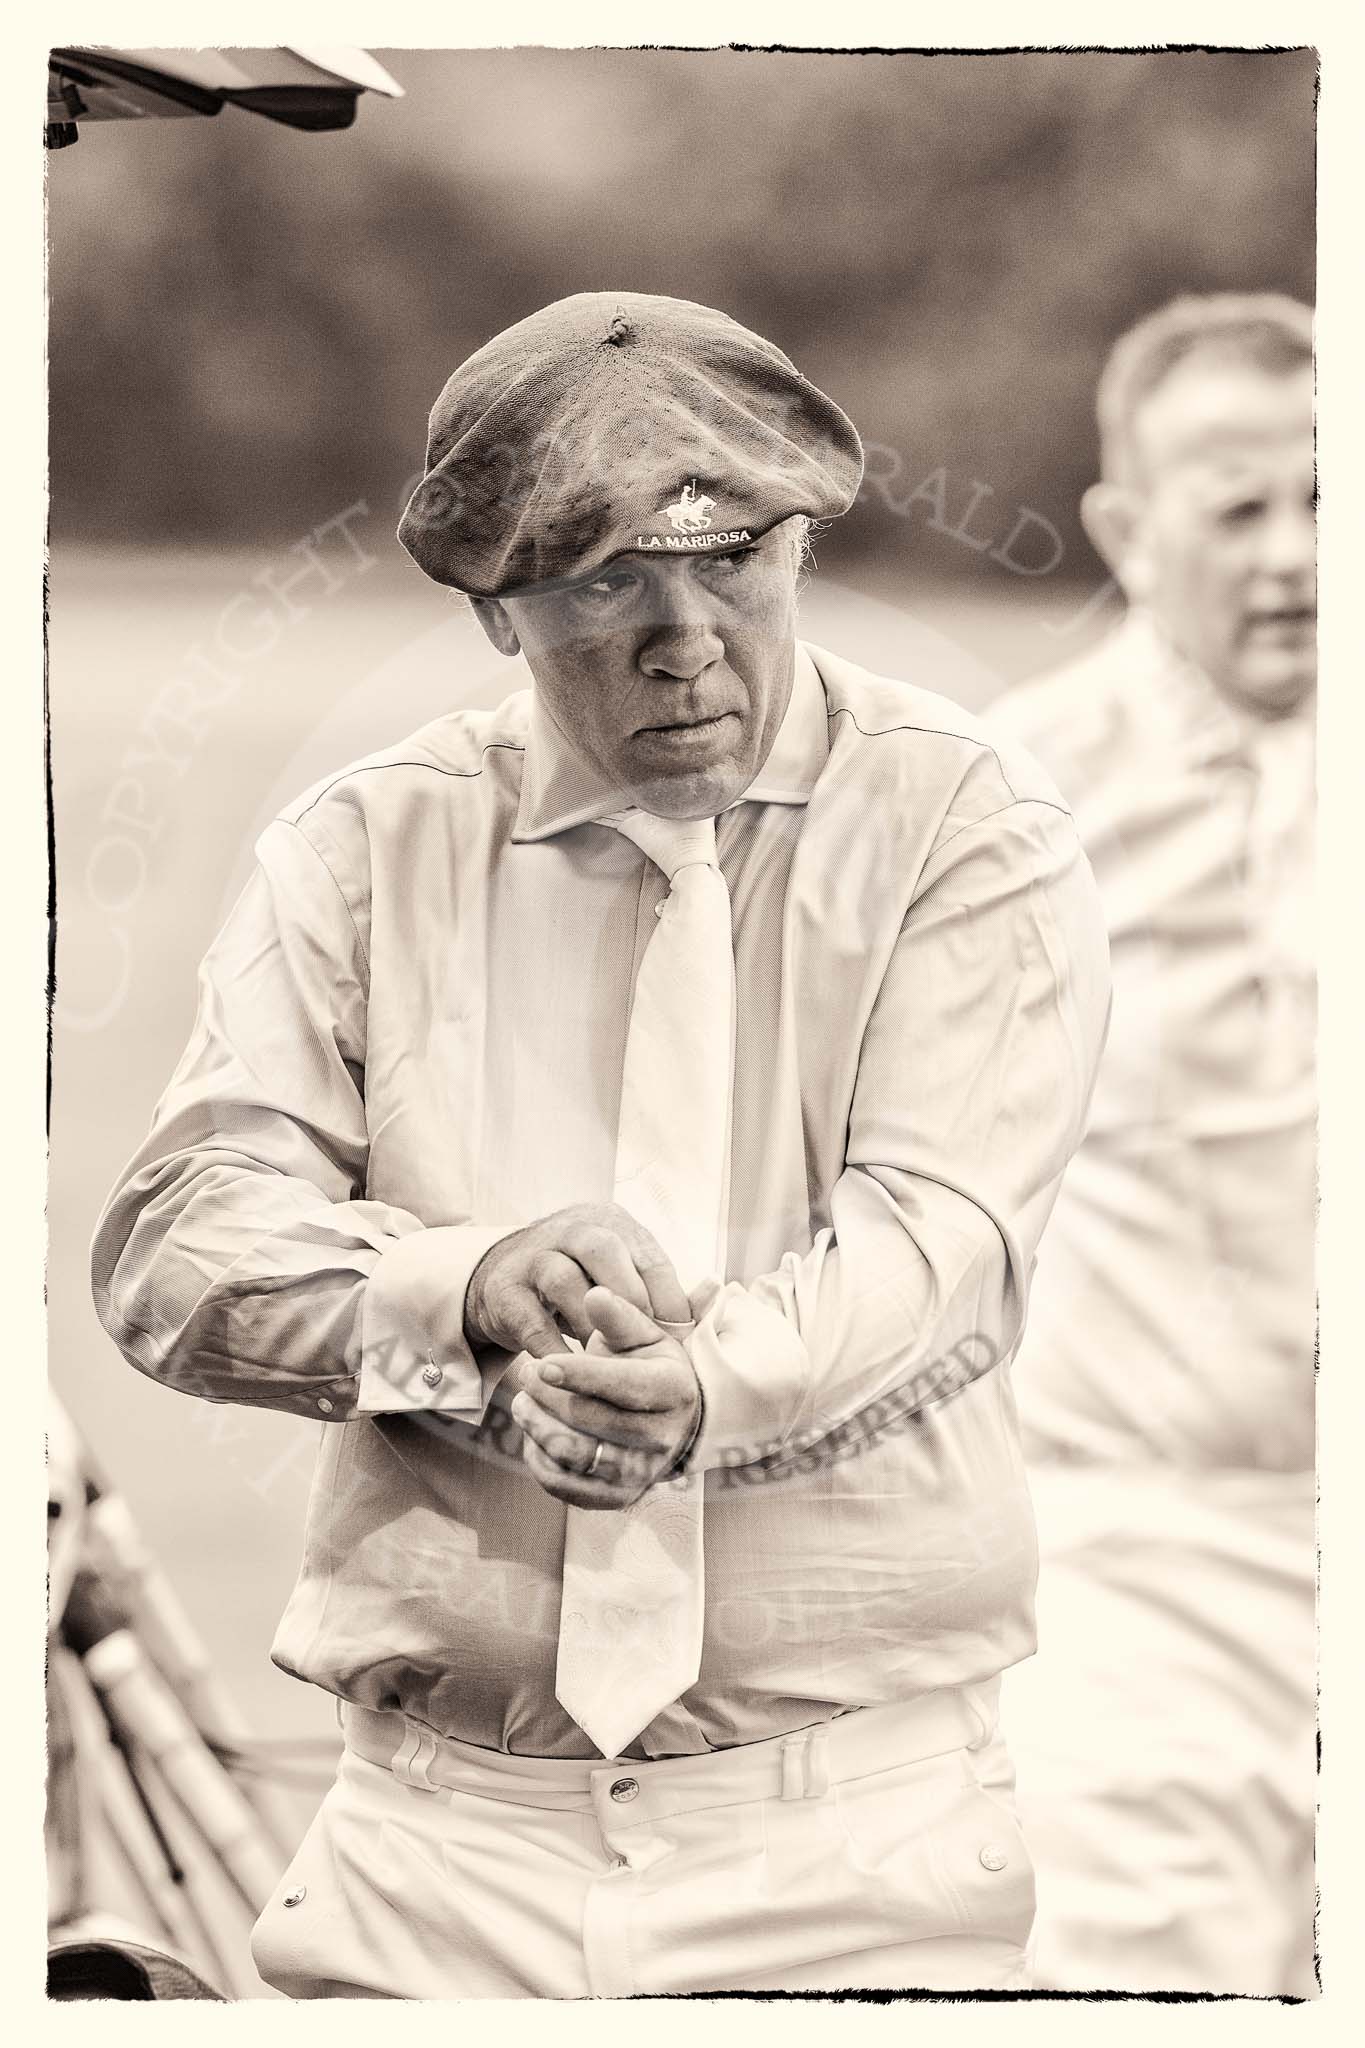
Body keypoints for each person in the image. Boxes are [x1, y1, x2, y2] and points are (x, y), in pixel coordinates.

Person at [92, 290, 1110, 1999]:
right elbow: (176, 1246)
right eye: (599, 577)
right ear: (493, 607)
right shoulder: (362, 847)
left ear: (800, 542)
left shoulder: (966, 824)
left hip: (856, 1835)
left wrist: (700, 1390)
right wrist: (461, 1287)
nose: (684, 636)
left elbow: (933, 1239)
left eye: (733, 560)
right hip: (433, 1842)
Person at [988, 292, 1317, 1997]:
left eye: (1329, 497)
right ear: (1127, 530)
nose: (1294, 555)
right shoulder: (1016, 799)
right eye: (1240, 507)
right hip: (1139, 1561)